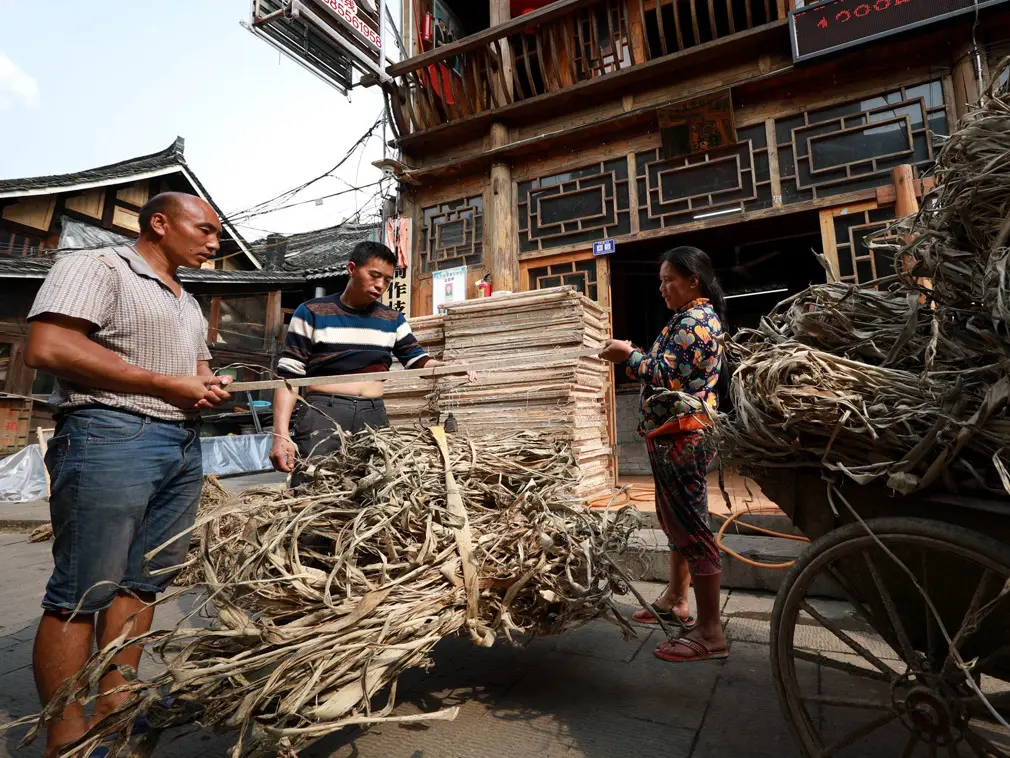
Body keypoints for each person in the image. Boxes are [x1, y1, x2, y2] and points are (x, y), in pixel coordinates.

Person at [24, 192, 233, 757]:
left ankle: (117, 702)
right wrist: (166, 385)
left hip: (179, 442)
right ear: (159, 223)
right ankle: (65, 734)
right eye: (206, 229)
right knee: (81, 590)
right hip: (109, 434)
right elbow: (47, 346)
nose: (216, 242)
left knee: (142, 582)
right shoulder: (97, 266)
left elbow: (194, 370)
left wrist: (206, 385)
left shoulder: (187, 301)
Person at [600, 246, 729, 663]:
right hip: (669, 435)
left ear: (693, 280)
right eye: (659, 280)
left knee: (692, 525)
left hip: (683, 436)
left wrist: (629, 356)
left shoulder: (695, 321)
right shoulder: (687, 318)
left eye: (669, 279)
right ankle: (676, 599)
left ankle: (710, 633)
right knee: (675, 518)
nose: (662, 287)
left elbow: (668, 375)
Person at [269, 241, 469, 483]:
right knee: (314, 486)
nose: (380, 285)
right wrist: (280, 435)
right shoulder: (312, 311)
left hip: (373, 413)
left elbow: (417, 361)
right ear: (352, 268)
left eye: (387, 280)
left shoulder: (392, 319)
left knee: (372, 489)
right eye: (374, 275)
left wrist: (447, 367)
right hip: (324, 412)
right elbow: (289, 378)